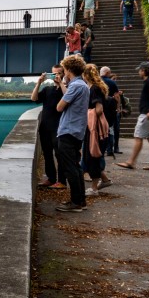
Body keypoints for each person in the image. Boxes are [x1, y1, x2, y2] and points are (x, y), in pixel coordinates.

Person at [54, 55, 91, 212]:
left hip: (68, 130)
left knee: (70, 168)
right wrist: (63, 85)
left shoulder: (75, 86)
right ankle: (81, 201)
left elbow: (60, 107)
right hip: (77, 131)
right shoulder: (82, 85)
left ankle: (75, 202)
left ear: (68, 70)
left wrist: (63, 86)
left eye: (65, 70)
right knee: (76, 167)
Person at [115, 64, 149, 171]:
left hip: (147, 114)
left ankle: (131, 162)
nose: (139, 72)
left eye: (140, 70)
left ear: (144, 71)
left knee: (138, 137)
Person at [81, 64, 114, 195]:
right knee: (92, 155)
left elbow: (98, 109)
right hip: (98, 126)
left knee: (92, 155)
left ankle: (94, 188)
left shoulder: (93, 89)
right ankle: (105, 180)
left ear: (85, 75)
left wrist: (85, 112)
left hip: (95, 127)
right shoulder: (97, 87)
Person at [32, 68, 66, 189]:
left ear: (63, 74)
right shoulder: (47, 89)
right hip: (45, 126)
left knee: (59, 154)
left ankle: (62, 181)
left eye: (59, 73)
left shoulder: (66, 89)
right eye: (54, 73)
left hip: (59, 126)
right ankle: (51, 178)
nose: (56, 75)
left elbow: (68, 97)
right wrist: (39, 82)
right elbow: (34, 98)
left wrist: (61, 83)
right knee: (47, 154)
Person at [100, 67, 122, 156]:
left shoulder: (96, 81)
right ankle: (110, 149)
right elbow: (117, 96)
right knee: (110, 128)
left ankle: (100, 147)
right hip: (110, 108)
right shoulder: (112, 82)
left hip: (98, 107)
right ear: (108, 73)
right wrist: (118, 108)